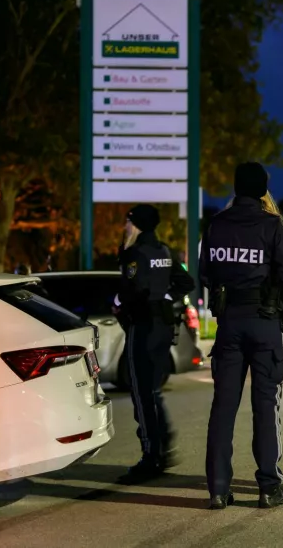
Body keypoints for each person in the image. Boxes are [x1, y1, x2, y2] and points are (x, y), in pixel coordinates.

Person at [200, 162, 283, 510]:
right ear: (262, 191)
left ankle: (217, 489)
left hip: (228, 324)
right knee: (265, 405)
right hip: (264, 322)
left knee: (223, 407)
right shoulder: (271, 226)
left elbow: (205, 273)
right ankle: (269, 488)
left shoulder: (216, 226)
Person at [114, 204, 195, 484]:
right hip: (162, 329)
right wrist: (164, 299)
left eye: (128, 223)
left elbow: (130, 293)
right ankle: (163, 444)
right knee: (152, 390)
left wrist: (119, 304)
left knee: (141, 393)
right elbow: (186, 282)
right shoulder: (165, 251)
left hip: (143, 327)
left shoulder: (135, 254)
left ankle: (152, 456)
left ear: (135, 225)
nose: (125, 228)